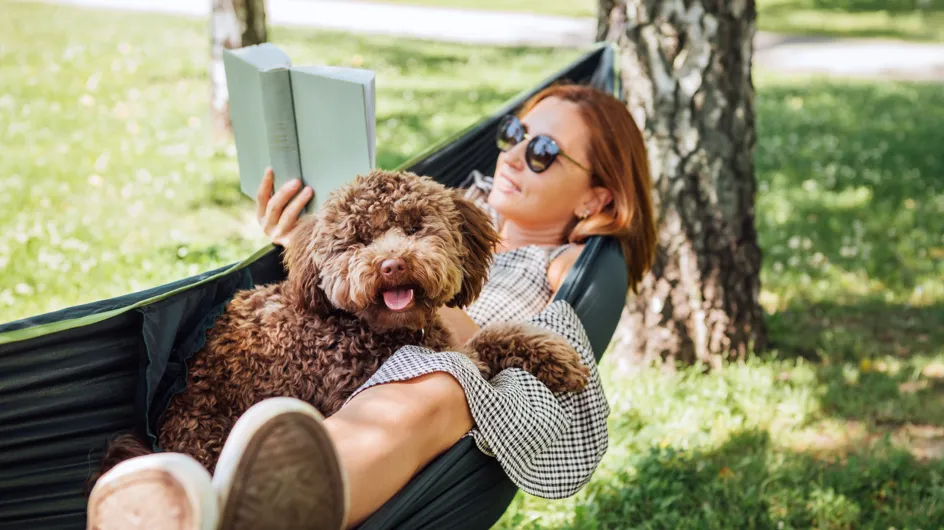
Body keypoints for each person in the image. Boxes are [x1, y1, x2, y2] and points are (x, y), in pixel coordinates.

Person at [86, 84, 656, 530]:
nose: (513, 156)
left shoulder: (565, 263)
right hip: (344, 367)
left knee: (435, 385)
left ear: (596, 197)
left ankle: (220, 506)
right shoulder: (456, 200)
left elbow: (519, 334)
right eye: (514, 133)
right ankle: (208, 499)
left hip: (443, 375)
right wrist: (303, 239)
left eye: (545, 153)